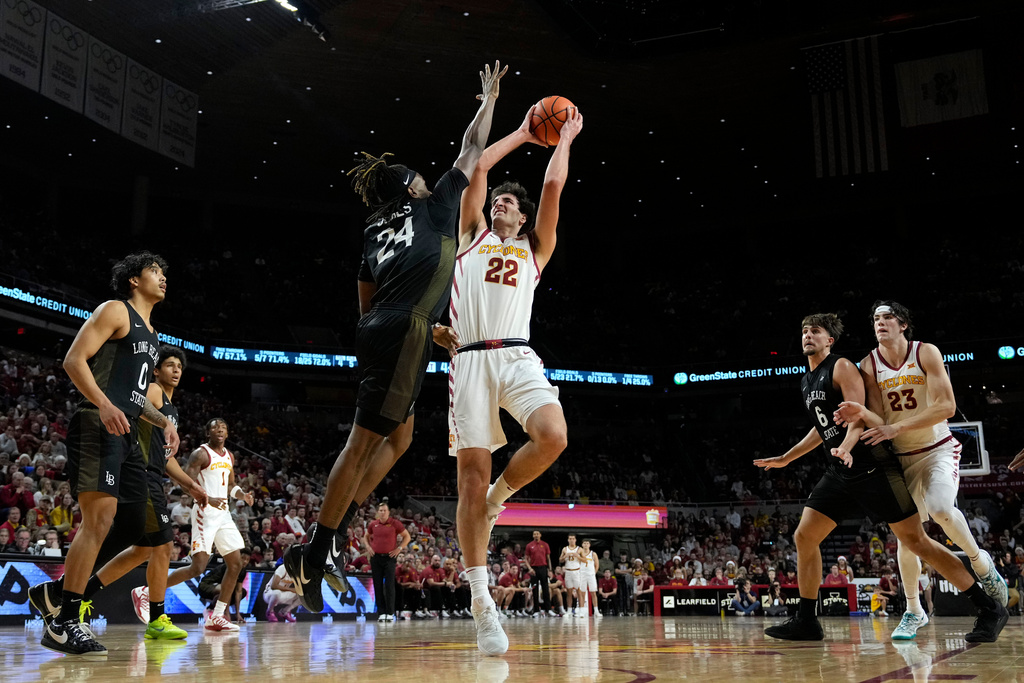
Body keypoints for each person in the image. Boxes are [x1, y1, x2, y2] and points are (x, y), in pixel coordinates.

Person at [283, 61, 507, 622]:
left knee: (401, 435)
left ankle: (333, 531)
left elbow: (366, 291)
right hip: (401, 328)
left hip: (383, 325)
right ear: (411, 185)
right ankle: (316, 549)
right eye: (419, 177)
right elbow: (470, 148)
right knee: (363, 443)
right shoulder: (433, 206)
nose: (429, 181)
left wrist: (407, 323)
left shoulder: (373, 226)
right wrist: (489, 100)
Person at [755, 313, 1007, 642]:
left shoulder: (842, 366)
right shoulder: (807, 380)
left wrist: (846, 446)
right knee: (805, 536)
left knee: (917, 542)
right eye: (803, 331)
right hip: (840, 469)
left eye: (815, 331)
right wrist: (787, 458)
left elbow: (858, 415)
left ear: (829, 340)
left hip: (872, 466)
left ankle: (989, 608)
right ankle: (806, 619)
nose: (807, 336)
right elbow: (821, 428)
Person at [435, 101, 583, 655]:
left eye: (512, 203)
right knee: (467, 481)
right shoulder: (471, 232)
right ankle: (481, 603)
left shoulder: (534, 249)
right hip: (470, 360)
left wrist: (562, 140)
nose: (505, 201)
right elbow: (475, 166)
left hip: (518, 355)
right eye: (501, 198)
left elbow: (552, 191)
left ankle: (501, 499)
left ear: (521, 219)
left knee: (554, 436)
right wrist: (523, 132)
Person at [29, 252, 180, 657]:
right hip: (98, 423)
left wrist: (162, 420)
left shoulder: (152, 334)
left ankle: (57, 595)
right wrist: (104, 405)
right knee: (100, 519)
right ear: (133, 279)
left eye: (165, 274)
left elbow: (134, 396)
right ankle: (64, 622)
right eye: (155, 272)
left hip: (128, 431)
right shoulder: (115, 311)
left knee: (132, 525)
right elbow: (73, 360)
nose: (163, 278)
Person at [835, 301, 1009, 638]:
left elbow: (947, 406)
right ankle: (914, 610)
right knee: (907, 539)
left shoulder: (925, 352)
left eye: (887, 317)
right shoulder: (868, 365)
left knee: (941, 509)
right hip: (899, 459)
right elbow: (874, 417)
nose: (880, 323)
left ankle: (980, 563)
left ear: (902, 324)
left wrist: (894, 429)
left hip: (936, 449)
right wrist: (850, 432)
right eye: (875, 319)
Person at [60, 346, 205, 641]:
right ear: (155, 370)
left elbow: (165, 457)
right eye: (170, 365)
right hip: (139, 472)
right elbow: (136, 413)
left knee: (143, 548)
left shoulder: (170, 408)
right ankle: (156, 618)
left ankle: (79, 592)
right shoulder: (151, 391)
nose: (176, 370)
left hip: (152, 473)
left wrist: (190, 485)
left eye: (179, 366)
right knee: (162, 545)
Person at [160, 419, 253, 631]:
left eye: (223, 428)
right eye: (215, 427)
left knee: (236, 564)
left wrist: (242, 495)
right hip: (204, 512)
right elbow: (185, 484)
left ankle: (217, 615)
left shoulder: (229, 456)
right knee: (198, 567)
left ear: (227, 434)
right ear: (207, 432)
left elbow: (230, 486)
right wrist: (206, 498)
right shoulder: (200, 454)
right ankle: (151, 590)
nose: (220, 430)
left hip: (224, 515)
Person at [362, 502, 410, 622]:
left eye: (384, 510)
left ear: (388, 512)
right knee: (377, 585)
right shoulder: (373, 524)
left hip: (389, 557)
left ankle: (390, 612)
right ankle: (381, 613)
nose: (382, 512)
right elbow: (366, 536)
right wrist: (368, 547)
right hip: (376, 557)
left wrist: (399, 548)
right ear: (378, 512)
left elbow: (407, 537)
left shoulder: (395, 523)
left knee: (389, 585)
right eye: (381, 510)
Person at [523, 530, 553, 616]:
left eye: (537, 534)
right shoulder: (529, 545)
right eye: (534, 534)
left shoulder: (545, 544)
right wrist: (530, 569)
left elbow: (548, 558)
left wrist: (550, 570)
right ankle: (536, 610)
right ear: (533, 536)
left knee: (546, 589)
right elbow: (526, 558)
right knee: (534, 589)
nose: (536, 535)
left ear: (540, 535)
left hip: (543, 568)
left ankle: (548, 609)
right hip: (534, 569)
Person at [560, 534, 584, 618]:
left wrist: (578, 556)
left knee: (578, 591)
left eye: (573, 539)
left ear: (575, 540)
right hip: (568, 571)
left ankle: (581, 611)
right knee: (569, 592)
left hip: (576, 571)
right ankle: (569, 611)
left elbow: (585, 560)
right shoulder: (565, 549)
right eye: (570, 539)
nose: (571, 540)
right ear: (568, 540)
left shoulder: (579, 549)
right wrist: (564, 556)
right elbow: (560, 560)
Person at [579, 539, 600, 618]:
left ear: (589, 545)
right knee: (582, 593)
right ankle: (582, 611)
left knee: (593, 593)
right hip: (582, 574)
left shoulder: (593, 554)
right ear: (582, 545)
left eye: (587, 543)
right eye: (584, 543)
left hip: (591, 575)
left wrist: (594, 573)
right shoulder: (580, 553)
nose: (586, 545)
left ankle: (596, 611)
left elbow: (597, 565)